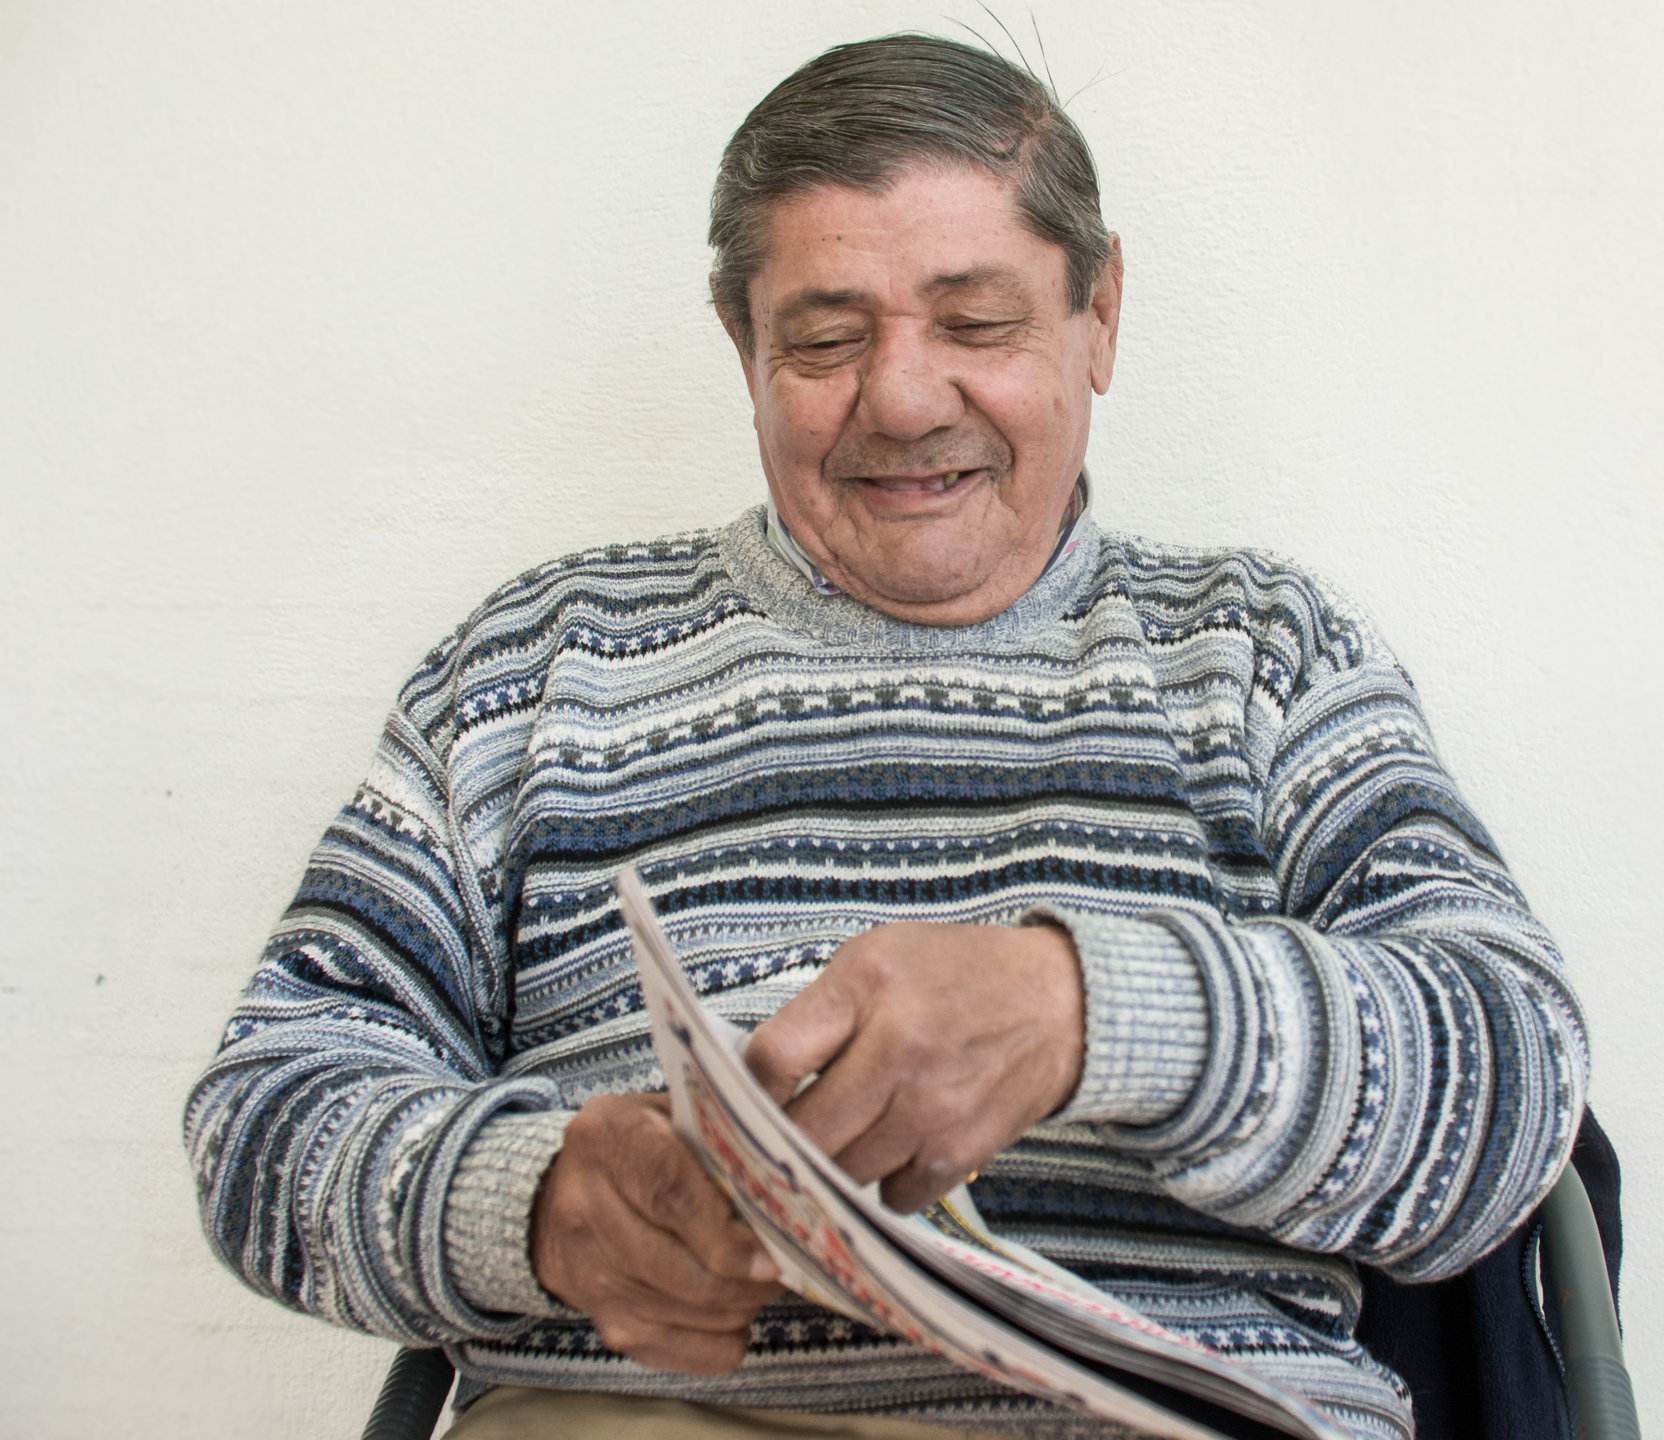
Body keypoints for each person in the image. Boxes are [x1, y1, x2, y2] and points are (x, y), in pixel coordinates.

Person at [186, 34, 1588, 1440]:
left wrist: (1094, 1015)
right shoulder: (534, 665)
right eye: (826, 340)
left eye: (975, 324)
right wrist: (530, 1204)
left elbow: (1517, 1084)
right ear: (742, 345)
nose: (906, 399)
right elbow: (265, 1115)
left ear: (1098, 315)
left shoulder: (1261, 653)